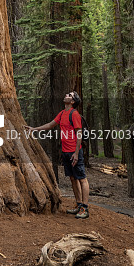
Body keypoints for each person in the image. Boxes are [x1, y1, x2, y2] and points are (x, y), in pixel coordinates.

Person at [26, 91, 90, 219]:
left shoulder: (74, 114)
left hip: (74, 152)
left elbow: (79, 134)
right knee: (73, 178)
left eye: (70, 95)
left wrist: (77, 153)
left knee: (82, 178)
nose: (66, 95)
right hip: (66, 151)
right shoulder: (62, 113)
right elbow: (50, 125)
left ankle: (85, 208)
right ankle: (78, 205)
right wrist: (34, 129)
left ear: (72, 102)